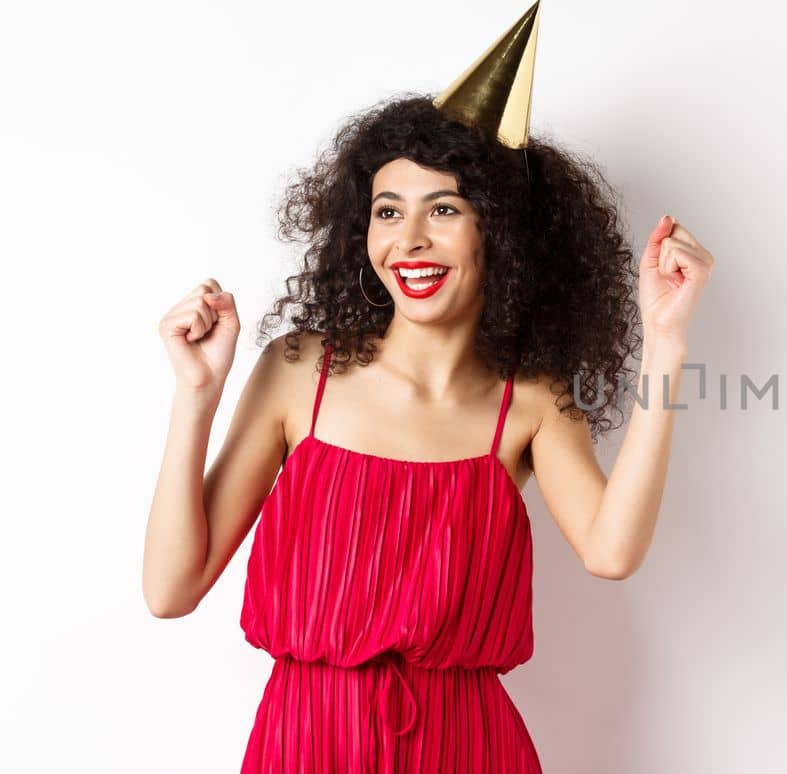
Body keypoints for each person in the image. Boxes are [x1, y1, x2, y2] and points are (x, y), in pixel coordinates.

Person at [140, 4, 716, 770]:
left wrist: (667, 345)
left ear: (499, 232)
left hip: (467, 750)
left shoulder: (532, 402)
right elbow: (169, 590)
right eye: (388, 212)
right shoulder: (298, 372)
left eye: (443, 210)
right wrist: (196, 398)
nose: (408, 240)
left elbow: (612, 552)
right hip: (308, 746)